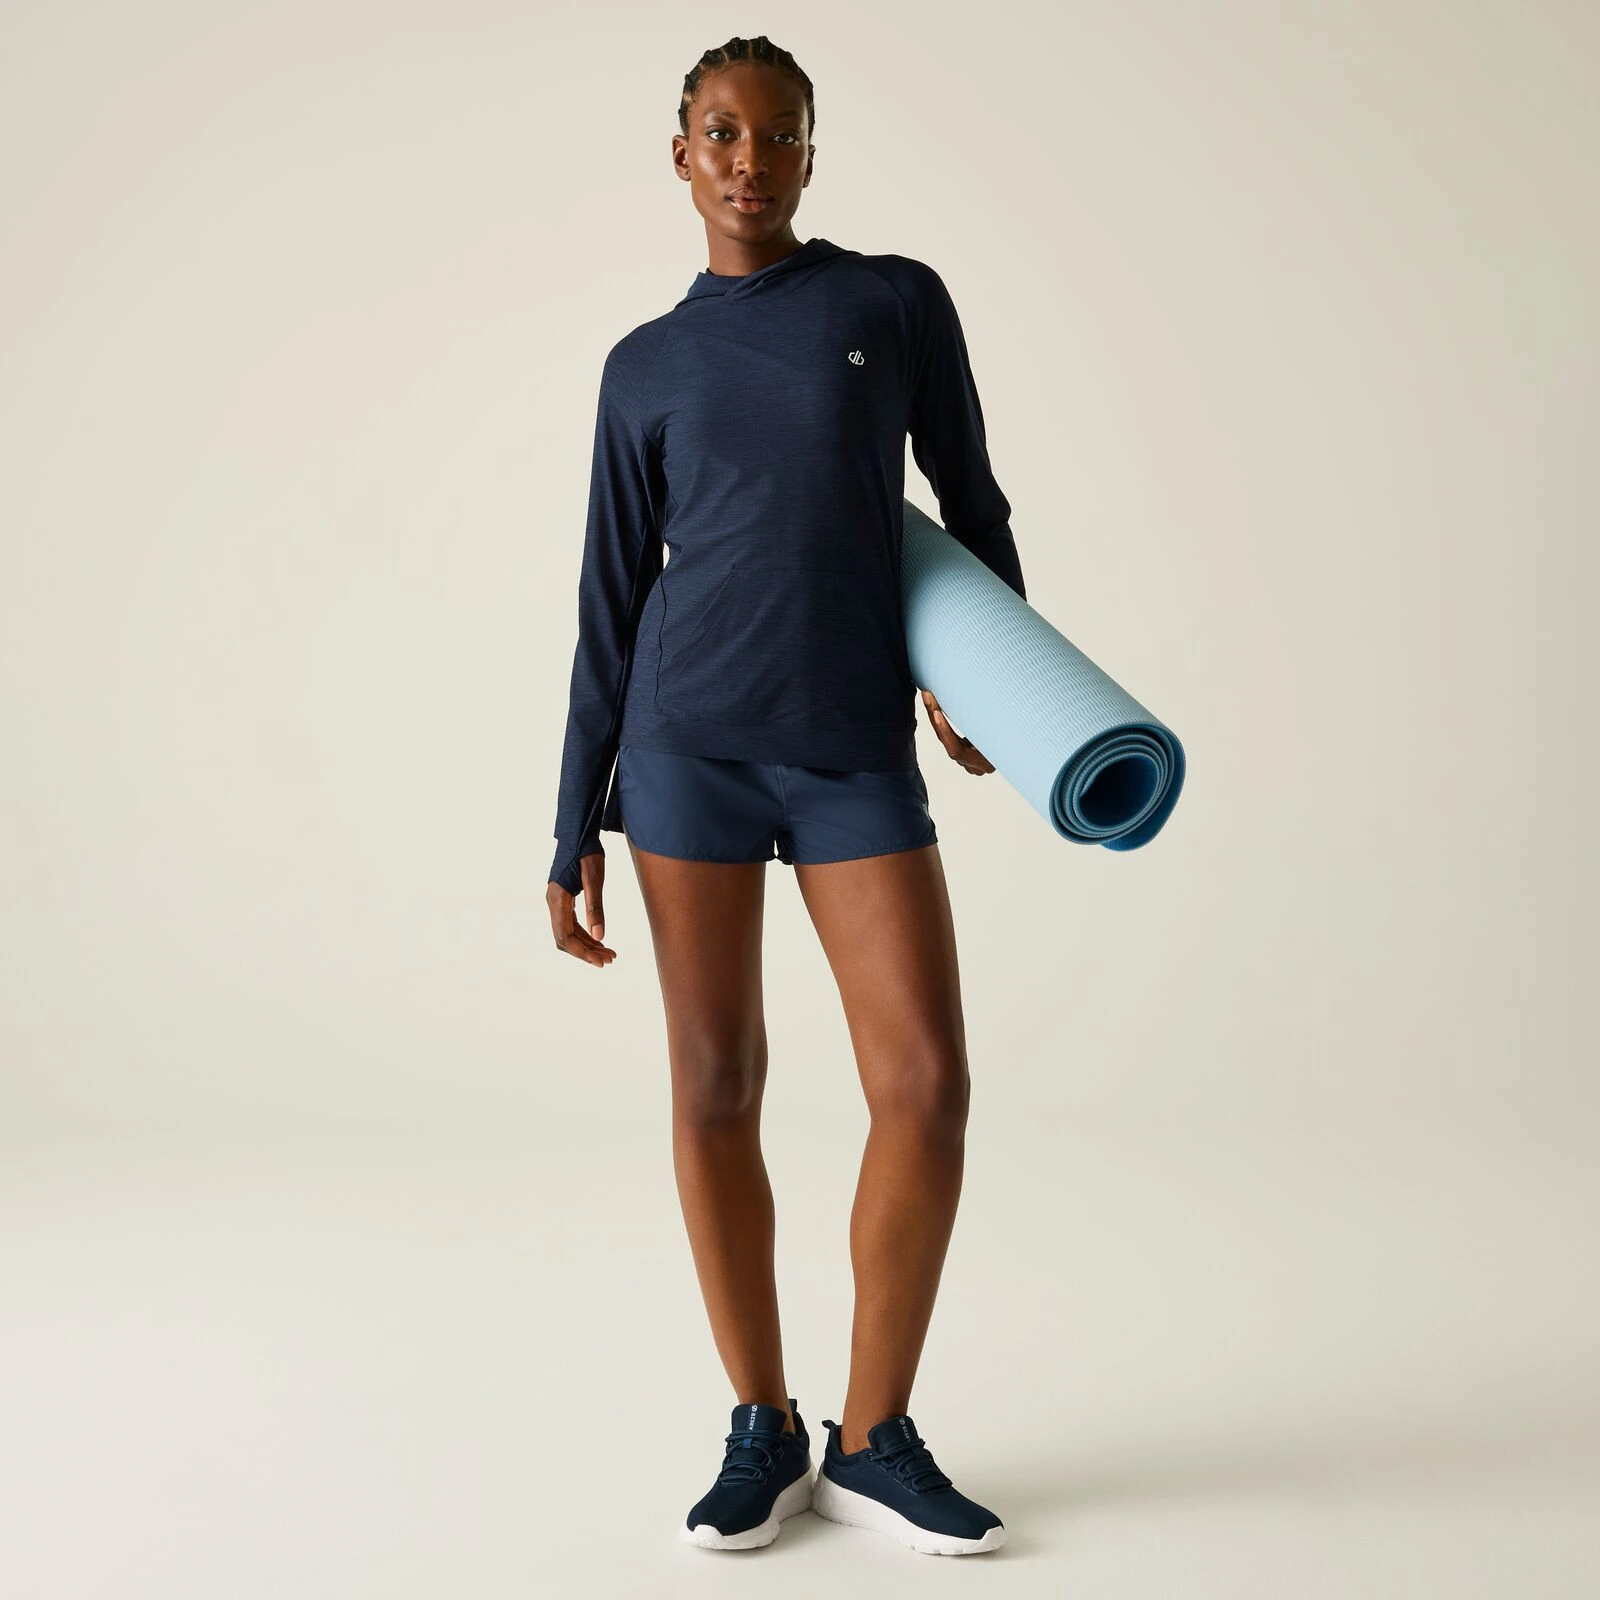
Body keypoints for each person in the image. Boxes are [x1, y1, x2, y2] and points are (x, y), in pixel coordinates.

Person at [546, 35, 1024, 1558]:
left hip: (850, 748)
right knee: (716, 1084)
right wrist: (572, 821)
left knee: (925, 1083)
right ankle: (761, 1421)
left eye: (780, 133)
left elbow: (970, 494)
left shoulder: (889, 301)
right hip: (683, 746)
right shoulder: (643, 366)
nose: (750, 159)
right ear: (681, 152)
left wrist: (999, 682)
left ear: (813, 151)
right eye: (722, 132)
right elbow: (610, 598)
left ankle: (873, 1438)